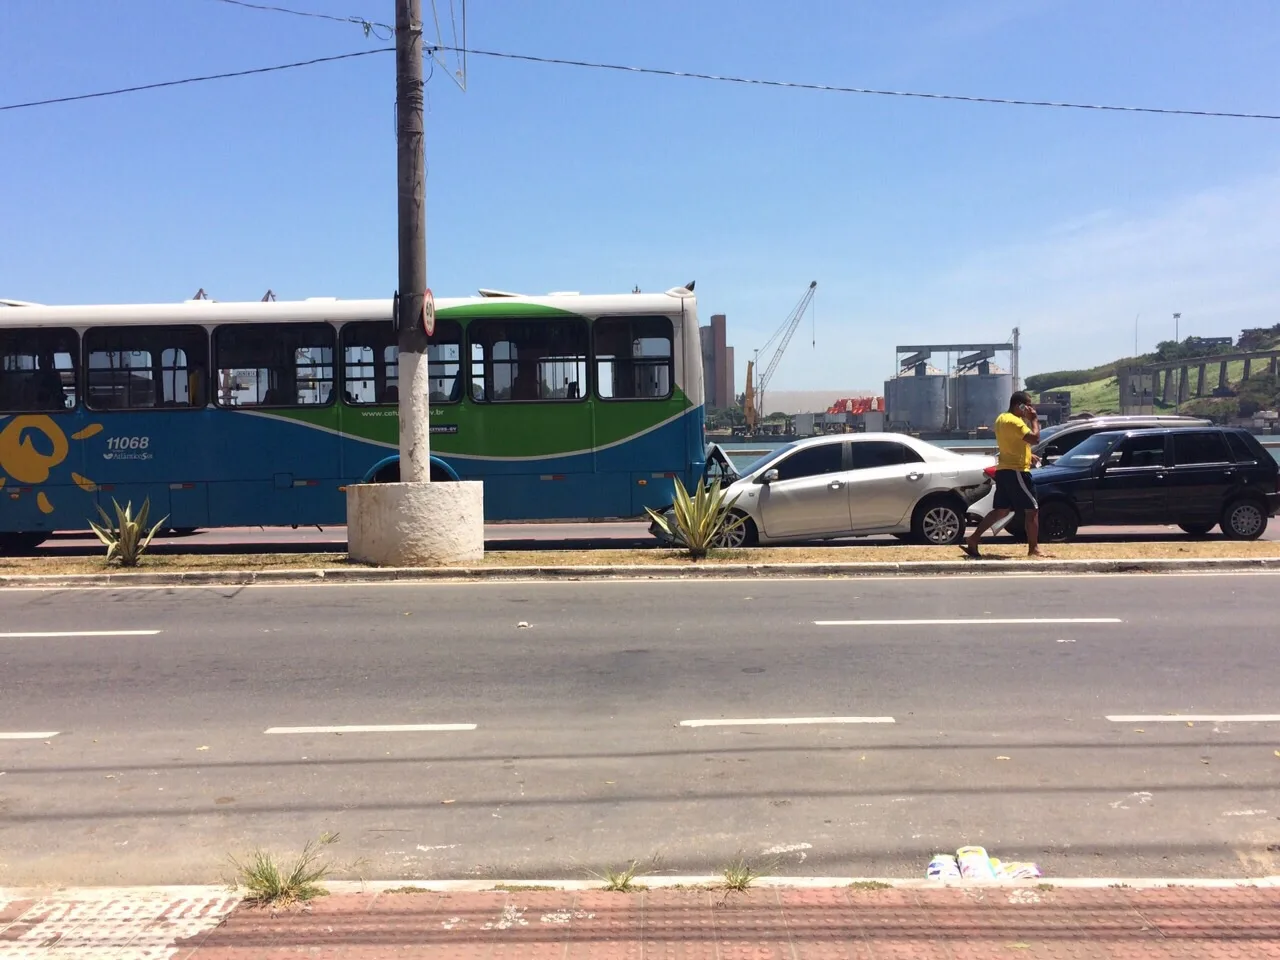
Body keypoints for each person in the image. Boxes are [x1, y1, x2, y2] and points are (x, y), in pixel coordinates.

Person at [964, 391, 1044, 559]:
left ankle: (973, 538)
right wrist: (1034, 419)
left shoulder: (1002, 419)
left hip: (1004, 470)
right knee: (1032, 510)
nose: (1030, 408)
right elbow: (1035, 438)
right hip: (1017, 472)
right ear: (1019, 405)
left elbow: (1011, 443)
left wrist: (1029, 456)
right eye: (1028, 405)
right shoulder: (1015, 422)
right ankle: (1034, 549)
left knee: (1000, 510)